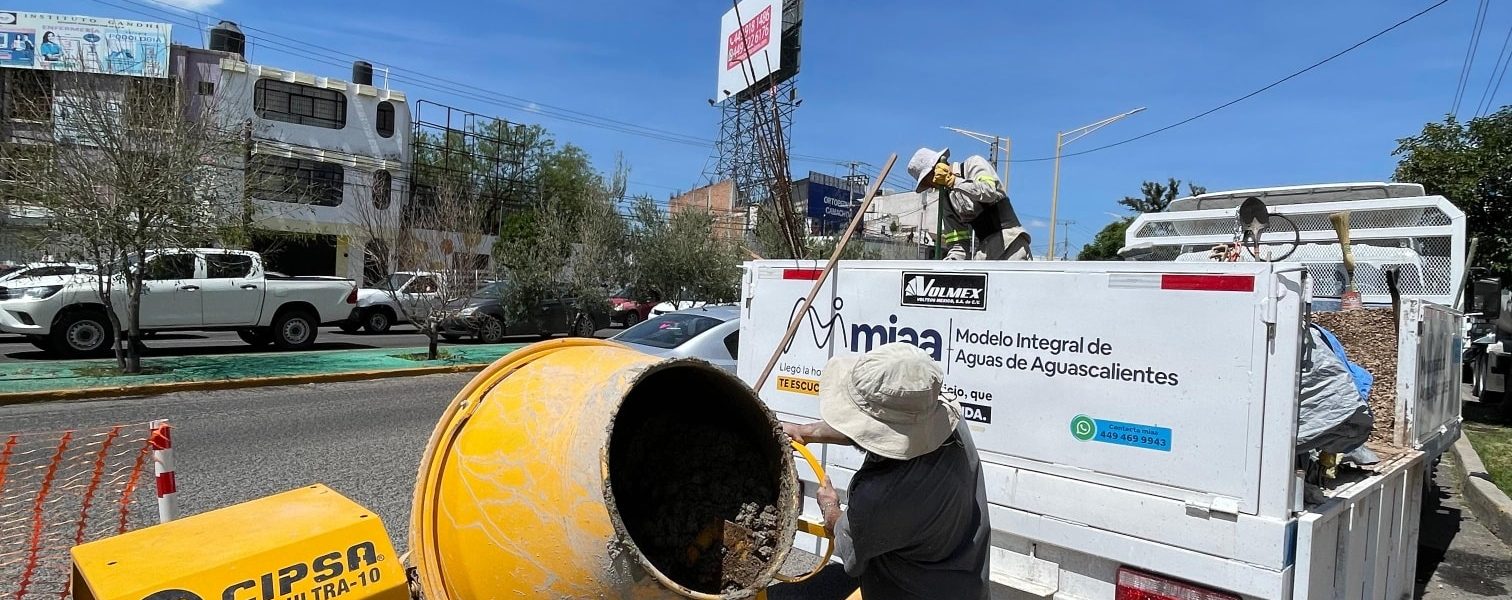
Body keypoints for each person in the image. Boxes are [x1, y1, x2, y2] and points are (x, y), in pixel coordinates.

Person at [783, 342, 991, 599]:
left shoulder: (883, 498)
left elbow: (849, 545)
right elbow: (878, 427)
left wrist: (830, 508)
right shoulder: (946, 422)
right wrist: (807, 432)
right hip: (967, 585)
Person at [907, 146, 1031, 261]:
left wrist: (954, 181)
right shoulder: (947, 202)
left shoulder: (973, 164)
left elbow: (989, 191)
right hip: (985, 255)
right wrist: (950, 263)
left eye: (927, 179)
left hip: (1011, 245)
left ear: (939, 165)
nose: (930, 185)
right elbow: (958, 244)